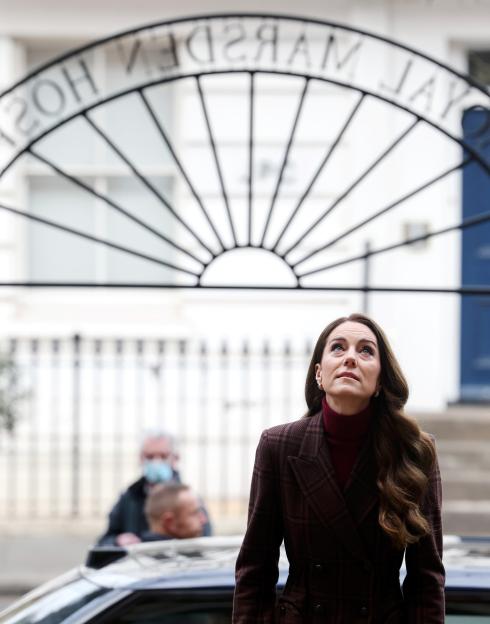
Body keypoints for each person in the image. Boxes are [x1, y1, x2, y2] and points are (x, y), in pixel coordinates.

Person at [233, 313, 445, 623]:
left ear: (380, 381)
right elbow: (255, 568)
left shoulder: (413, 451)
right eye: (338, 348)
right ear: (319, 374)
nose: (350, 358)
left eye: (365, 350)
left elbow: (426, 579)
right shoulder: (278, 446)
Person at [97, 431, 212, 546]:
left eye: (163, 456)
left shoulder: (187, 498)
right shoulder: (130, 497)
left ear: (175, 458)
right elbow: (104, 542)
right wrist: (117, 541)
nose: (156, 462)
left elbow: (205, 540)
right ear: (141, 458)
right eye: (150, 456)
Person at [141, 482, 207, 541]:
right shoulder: (182, 553)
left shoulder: (138, 549)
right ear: (169, 522)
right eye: (194, 513)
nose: (203, 520)